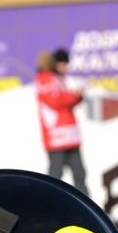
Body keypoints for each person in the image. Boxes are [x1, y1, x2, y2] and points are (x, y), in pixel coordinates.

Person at [36, 49, 86, 191]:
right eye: (63, 63)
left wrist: (77, 97)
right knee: (55, 176)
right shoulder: (45, 79)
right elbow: (55, 101)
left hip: (69, 136)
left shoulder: (59, 79)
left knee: (80, 173)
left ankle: (87, 208)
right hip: (56, 138)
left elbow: (64, 101)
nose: (65, 67)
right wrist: (73, 96)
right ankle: (48, 207)